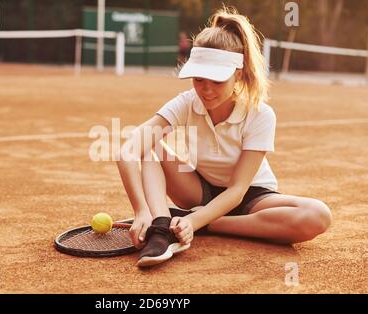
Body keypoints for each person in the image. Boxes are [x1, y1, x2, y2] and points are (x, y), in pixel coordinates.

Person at [115, 6, 332, 267]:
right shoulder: (186, 102)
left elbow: (238, 191)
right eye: (198, 79)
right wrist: (141, 211)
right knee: (149, 147)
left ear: (237, 74)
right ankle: (161, 225)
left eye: (217, 81)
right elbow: (128, 151)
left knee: (317, 215)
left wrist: (196, 221)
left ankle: (209, 225)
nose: (206, 90)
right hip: (200, 191)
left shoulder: (260, 114)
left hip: (252, 198)